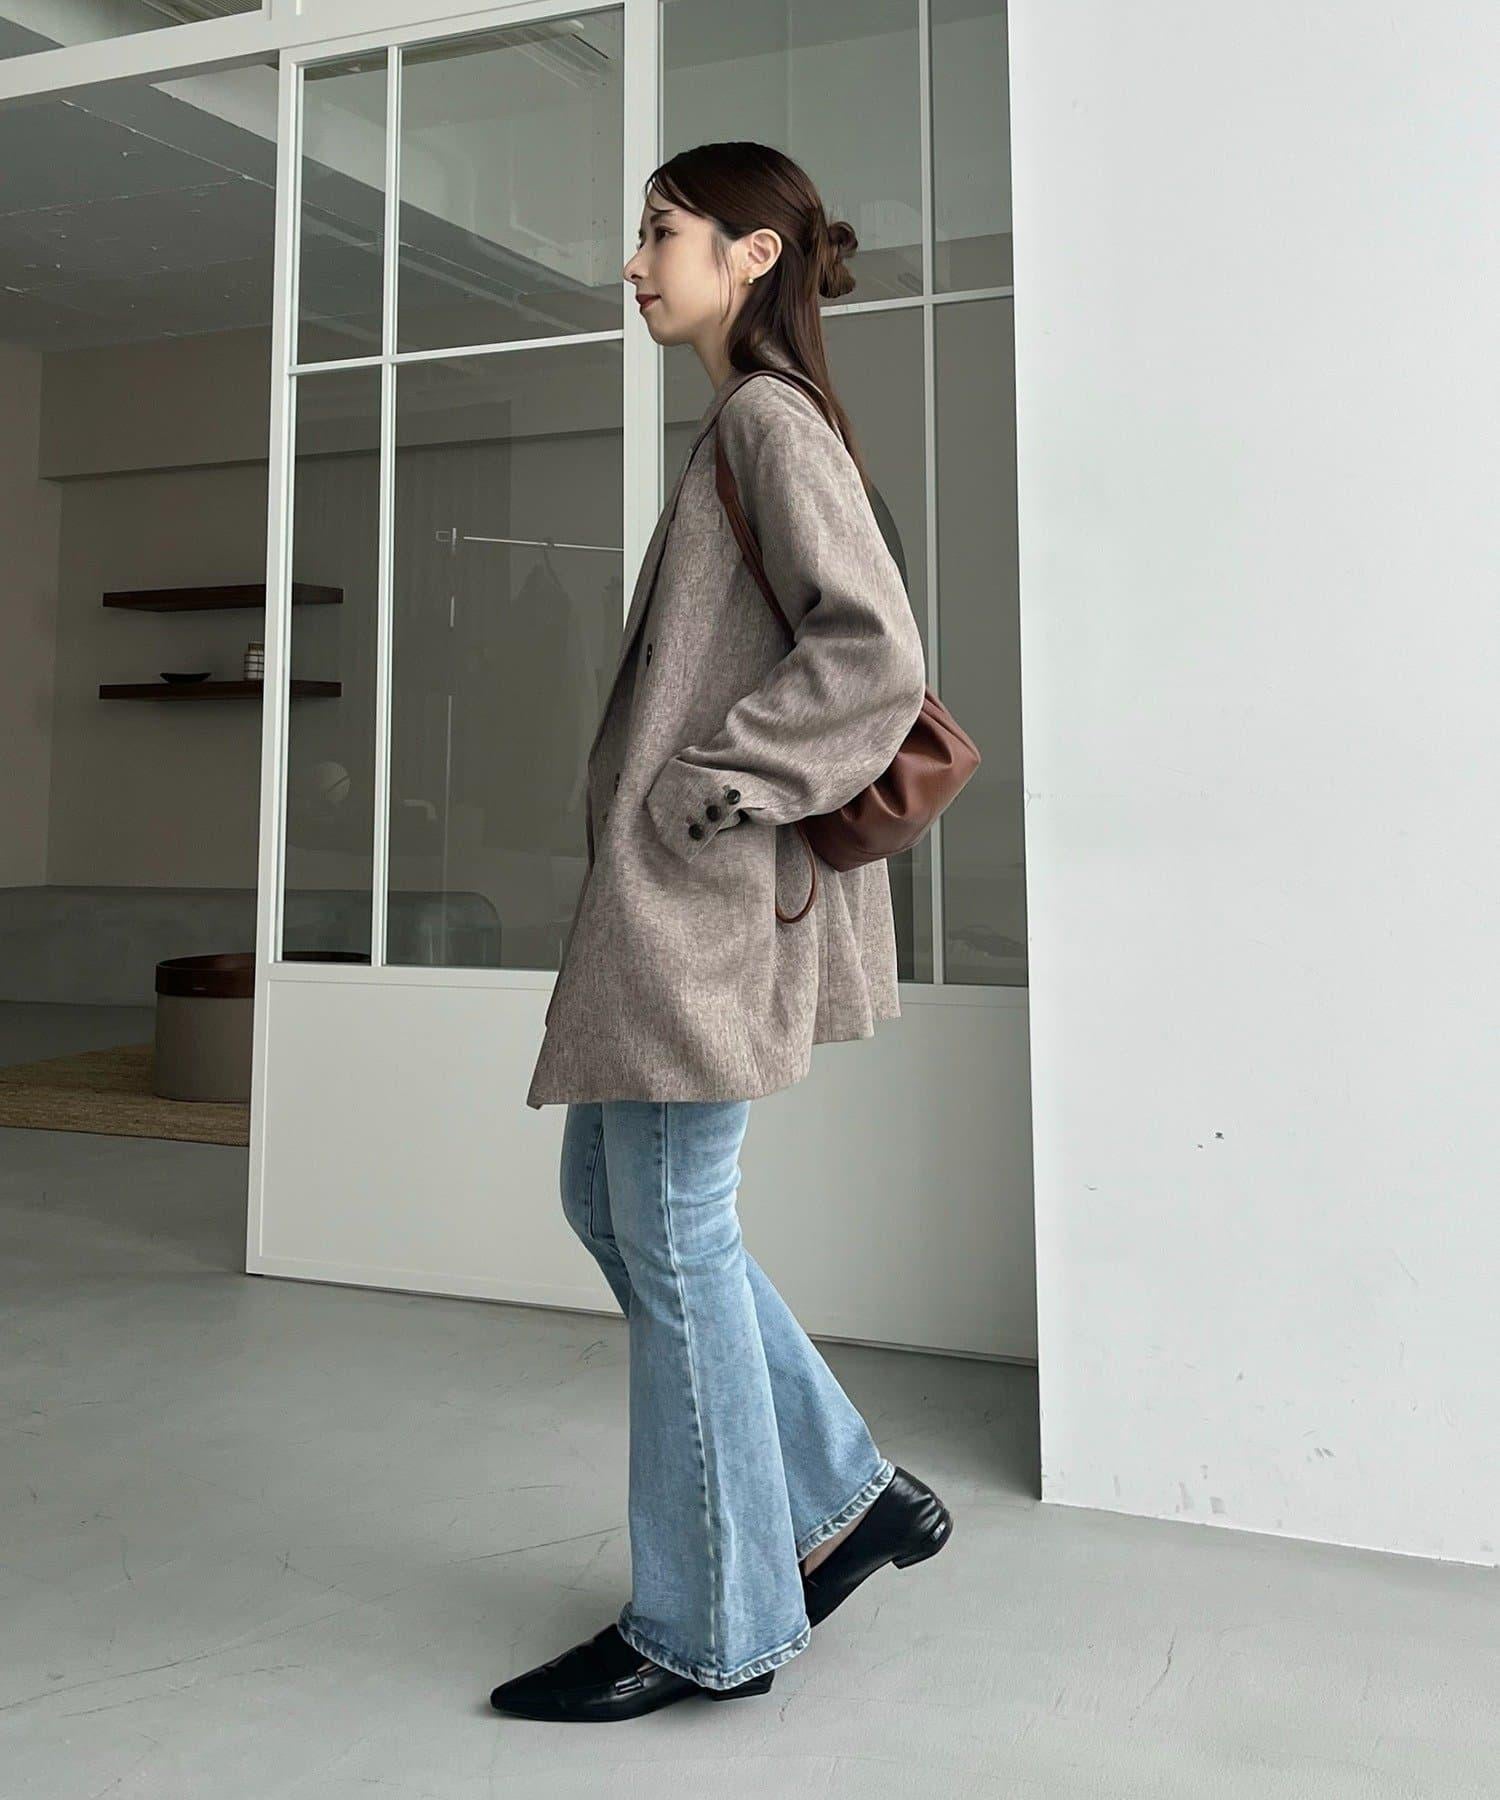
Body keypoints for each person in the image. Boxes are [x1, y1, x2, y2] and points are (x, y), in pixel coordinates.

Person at [491, 142, 952, 1724]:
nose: (634, 264)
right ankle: (846, 1498)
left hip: (704, 897)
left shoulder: (767, 420)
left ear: (751, 254)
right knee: (614, 1205)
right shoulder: (742, 425)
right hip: (677, 898)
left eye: (660, 233)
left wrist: (719, 779)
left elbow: (874, 652)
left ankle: (716, 1624)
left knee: (674, 1229)